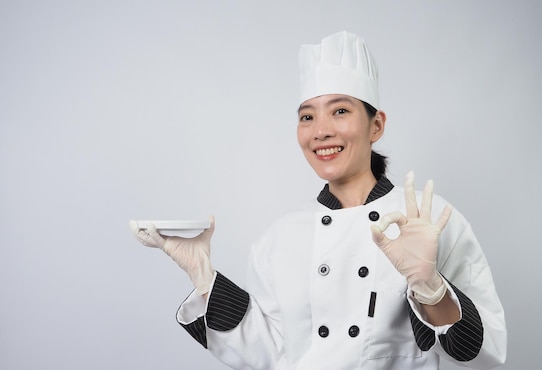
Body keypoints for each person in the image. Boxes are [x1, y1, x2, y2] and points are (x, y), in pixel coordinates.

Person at [130, 30, 507, 369]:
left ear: (376, 125)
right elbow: (268, 355)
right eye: (307, 117)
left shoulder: (431, 219)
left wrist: (431, 287)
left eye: (340, 111)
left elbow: (485, 353)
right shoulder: (279, 239)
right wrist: (204, 278)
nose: (321, 131)